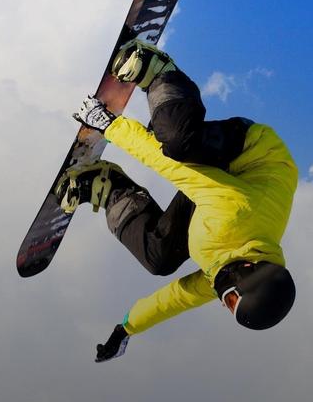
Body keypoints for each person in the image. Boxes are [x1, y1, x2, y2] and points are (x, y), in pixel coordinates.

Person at [56, 40, 298, 362]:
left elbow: (175, 299)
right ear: (248, 271)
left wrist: (125, 329)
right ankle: (159, 73)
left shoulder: (221, 274)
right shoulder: (237, 215)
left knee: (159, 260)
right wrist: (110, 126)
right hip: (249, 153)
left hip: (212, 201)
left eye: (229, 306)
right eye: (230, 300)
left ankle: (108, 186)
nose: (222, 301)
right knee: (178, 145)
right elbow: (173, 168)